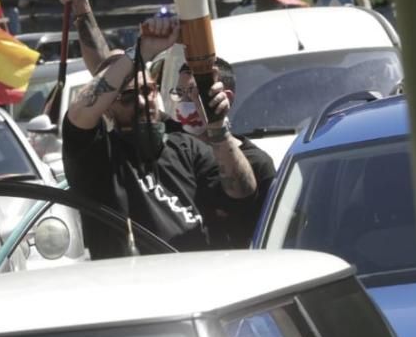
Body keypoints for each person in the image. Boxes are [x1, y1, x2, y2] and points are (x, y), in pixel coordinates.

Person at [63, 15, 266, 258]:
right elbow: (79, 111)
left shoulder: (186, 148)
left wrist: (217, 125)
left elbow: (242, 192)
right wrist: (140, 52)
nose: (142, 101)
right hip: (130, 286)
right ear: (107, 108)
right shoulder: (97, 156)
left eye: (149, 90)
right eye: (128, 97)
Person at [167, 59, 276, 247]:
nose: (185, 103)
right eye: (180, 93)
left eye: (194, 94)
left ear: (225, 98)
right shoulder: (173, 149)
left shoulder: (256, 163)